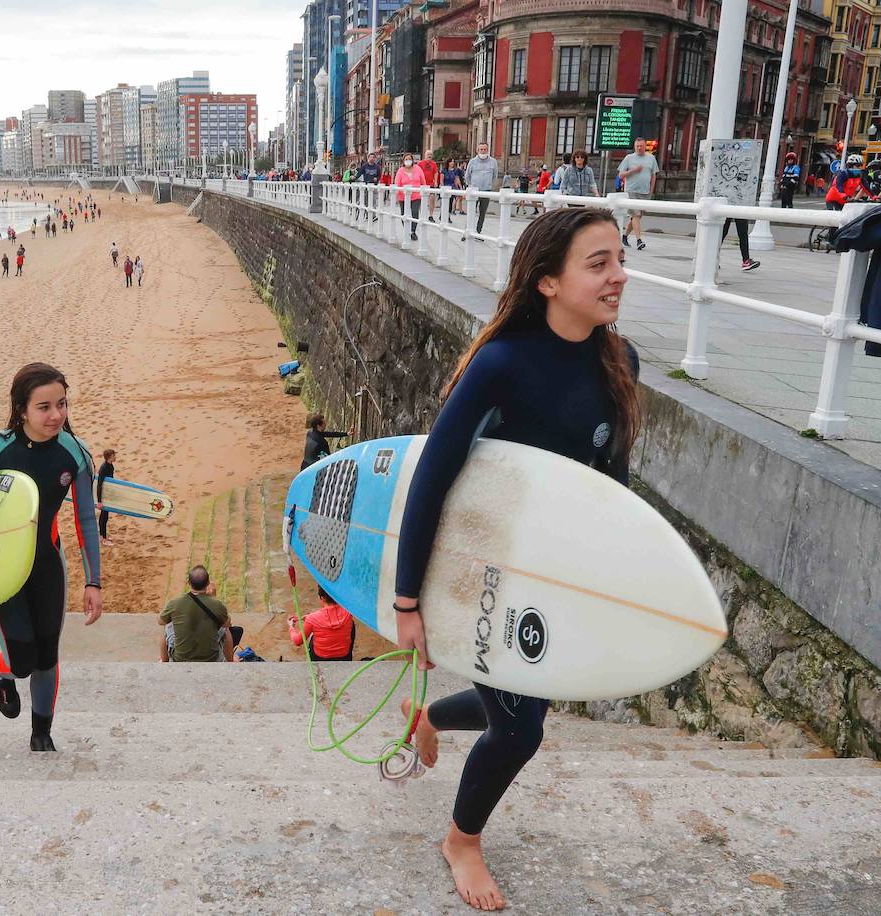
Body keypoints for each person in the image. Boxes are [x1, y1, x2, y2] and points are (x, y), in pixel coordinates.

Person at [394, 207, 639, 910]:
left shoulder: (620, 362)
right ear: (547, 283)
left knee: (520, 699)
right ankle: (461, 840)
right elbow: (431, 481)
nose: (619, 275)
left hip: (554, 571)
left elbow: (609, 488)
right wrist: (409, 603)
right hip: (482, 566)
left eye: (619, 258)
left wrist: (607, 580)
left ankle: (433, 720)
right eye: (598, 264)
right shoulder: (501, 366)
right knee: (522, 726)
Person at [0, 362, 103, 752]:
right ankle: (3, 670)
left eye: (62, 405)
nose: (56, 416)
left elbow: (85, 519)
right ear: (21, 410)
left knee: (47, 656)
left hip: (47, 564)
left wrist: (93, 581)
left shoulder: (75, 454)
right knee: (22, 661)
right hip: (0, 569)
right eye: (44, 407)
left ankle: (41, 734)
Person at [159, 566, 236, 663]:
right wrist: (213, 598)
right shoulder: (216, 604)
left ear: (189, 583)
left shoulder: (175, 603)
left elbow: (161, 621)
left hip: (180, 658)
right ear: (208, 583)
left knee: (167, 626)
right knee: (225, 630)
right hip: (211, 658)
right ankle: (230, 661)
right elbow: (227, 623)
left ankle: (164, 661)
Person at [288, 586, 356, 661]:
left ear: (322, 598)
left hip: (320, 657)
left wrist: (291, 627)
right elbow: (335, 615)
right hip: (344, 656)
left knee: (313, 636)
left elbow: (298, 641)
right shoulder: (349, 611)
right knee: (351, 624)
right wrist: (308, 619)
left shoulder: (313, 618)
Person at [618, 138, 660, 249]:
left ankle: (625, 236)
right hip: (631, 191)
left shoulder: (651, 158)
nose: (639, 148)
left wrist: (651, 191)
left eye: (641, 146)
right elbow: (621, 175)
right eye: (637, 146)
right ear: (634, 146)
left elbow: (653, 176)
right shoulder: (629, 158)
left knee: (637, 217)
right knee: (636, 215)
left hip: (645, 192)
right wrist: (633, 171)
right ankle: (639, 240)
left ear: (645, 146)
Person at [394, 153, 429, 242]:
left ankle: (413, 231)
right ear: (403, 161)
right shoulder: (400, 171)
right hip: (403, 196)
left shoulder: (418, 169)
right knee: (404, 213)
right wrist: (396, 193)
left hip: (416, 195)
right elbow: (397, 182)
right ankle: (407, 230)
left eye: (409, 159)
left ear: (412, 160)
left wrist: (424, 191)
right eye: (406, 159)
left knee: (415, 212)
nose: (408, 161)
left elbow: (423, 181)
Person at [465, 142, 499, 235]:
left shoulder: (493, 162)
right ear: (477, 150)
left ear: (487, 150)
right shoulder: (472, 162)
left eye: (485, 149)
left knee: (482, 213)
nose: (483, 151)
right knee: (471, 211)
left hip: (486, 191)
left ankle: (478, 232)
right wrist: (470, 186)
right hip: (474, 190)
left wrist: (489, 184)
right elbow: (467, 175)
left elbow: (495, 176)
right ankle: (467, 231)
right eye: (481, 149)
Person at [97, 448, 116, 546]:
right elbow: (99, 484)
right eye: (113, 455)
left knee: (105, 516)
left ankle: (102, 536)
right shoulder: (103, 468)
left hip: (107, 494)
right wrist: (99, 501)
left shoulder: (110, 466)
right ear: (109, 457)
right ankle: (103, 539)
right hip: (103, 495)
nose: (115, 457)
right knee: (104, 516)